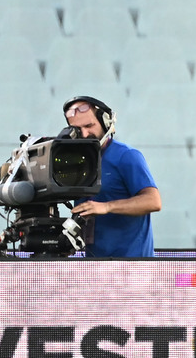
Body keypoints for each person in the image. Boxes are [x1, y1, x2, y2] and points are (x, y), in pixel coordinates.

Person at [64, 95, 161, 257]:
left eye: (89, 125)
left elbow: (153, 201)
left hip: (133, 268)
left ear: (105, 122)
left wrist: (106, 207)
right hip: (95, 269)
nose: (85, 134)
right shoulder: (77, 162)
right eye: (77, 129)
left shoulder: (127, 156)